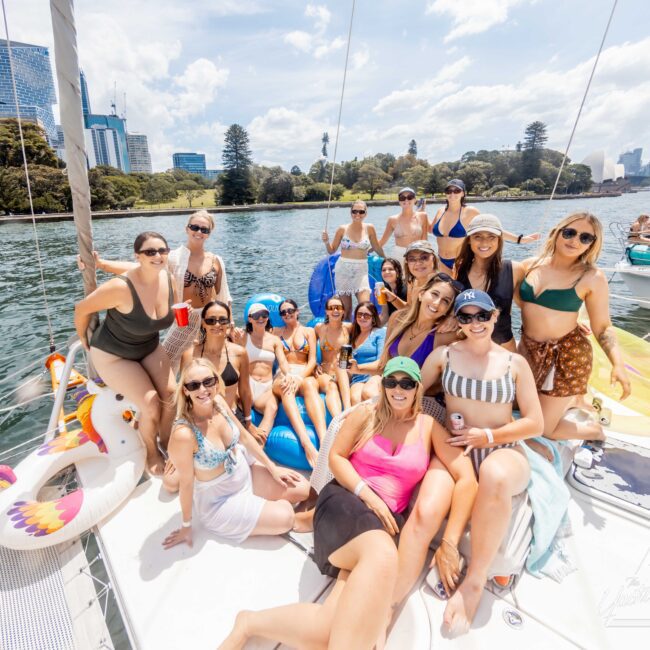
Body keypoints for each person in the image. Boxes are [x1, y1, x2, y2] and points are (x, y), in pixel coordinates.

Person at [218, 357, 456, 650]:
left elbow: (466, 476)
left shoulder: (428, 427)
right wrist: (368, 495)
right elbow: (336, 458)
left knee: (327, 628)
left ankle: (249, 623)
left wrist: (452, 542)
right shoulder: (367, 414)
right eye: (391, 381)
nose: (398, 389)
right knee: (384, 556)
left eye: (406, 383)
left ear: (417, 388)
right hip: (345, 501)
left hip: (379, 525)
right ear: (383, 385)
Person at [420, 289, 544, 634]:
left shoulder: (513, 363)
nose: (474, 323)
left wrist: (487, 437)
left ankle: (474, 582)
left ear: (494, 316)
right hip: (456, 450)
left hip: (501, 448)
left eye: (481, 315)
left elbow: (535, 422)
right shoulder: (443, 356)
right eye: (465, 316)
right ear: (457, 322)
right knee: (428, 504)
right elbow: (411, 391)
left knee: (494, 473)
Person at [161, 359, 310, 549]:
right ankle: (278, 514)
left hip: (243, 473)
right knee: (286, 517)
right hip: (220, 501)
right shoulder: (185, 434)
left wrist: (273, 469)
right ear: (185, 391)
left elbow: (245, 438)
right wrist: (186, 525)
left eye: (208, 381)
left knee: (303, 489)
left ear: (216, 381)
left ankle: (264, 507)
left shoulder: (219, 402)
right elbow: (187, 484)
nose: (202, 390)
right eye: (193, 385)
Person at [516, 212, 631, 440]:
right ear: (557, 233)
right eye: (569, 233)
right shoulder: (529, 266)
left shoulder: (591, 277)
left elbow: (603, 327)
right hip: (528, 351)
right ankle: (571, 400)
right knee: (517, 409)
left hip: (566, 357)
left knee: (543, 429)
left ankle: (595, 431)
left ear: (592, 245)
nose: (575, 240)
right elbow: (519, 302)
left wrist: (618, 364)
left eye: (585, 237)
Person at [74, 232, 177, 475]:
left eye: (162, 250)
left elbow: (144, 268)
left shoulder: (168, 279)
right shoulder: (120, 288)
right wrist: (82, 337)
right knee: (150, 402)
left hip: (148, 346)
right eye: (150, 252)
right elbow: (81, 308)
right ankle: (151, 450)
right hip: (113, 354)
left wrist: (102, 263)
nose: (158, 256)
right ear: (138, 256)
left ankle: (167, 440)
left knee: (172, 394)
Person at [88, 210, 231, 371]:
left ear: (209, 234)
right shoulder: (174, 258)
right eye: (195, 227)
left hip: (210, 319)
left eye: (204, 230)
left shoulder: (216, 260)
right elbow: (139, 268)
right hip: (185, 319)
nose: (199, 232)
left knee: (209, 360)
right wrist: (101, 264)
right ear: (187, 228)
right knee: (167, 361)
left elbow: (223, 296)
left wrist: (228, 324)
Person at [382, 272, 462, 424]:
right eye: (434, 294)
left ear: (448, 309)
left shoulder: (444, 335)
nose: (437, 303)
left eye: (446, 301)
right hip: (395, 393)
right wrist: (356, 368)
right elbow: (383, 366)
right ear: (421, 294)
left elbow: (476, 332)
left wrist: (456, 318)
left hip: (425, 401)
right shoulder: (397, 320)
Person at [430, 179, 539, 273]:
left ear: (463, 193)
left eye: (457, 190)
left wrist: (520, 239)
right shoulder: (440, 211)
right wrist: (419, 213)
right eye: (449, 191)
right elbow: (429, 229)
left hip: (460, 262)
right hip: (440, 262)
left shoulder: (470, 212)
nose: (452, 194)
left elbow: (492, 229)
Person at [181, 300, 255, 436]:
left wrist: (248, 421)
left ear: (228, 323)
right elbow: (183, 394)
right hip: (200, 420)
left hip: (231, 417)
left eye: (222, 320)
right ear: (203, 323)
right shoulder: (190, 355)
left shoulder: (239, 353)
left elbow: (244, 390)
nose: (217, 324)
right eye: (211, 320)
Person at [454, 214, 524, 351]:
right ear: (469, 240)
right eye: (477, 236)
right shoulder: (459, 268)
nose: (484, 243)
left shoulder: (515, 269)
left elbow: (527, 309)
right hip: (469, 348)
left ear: (499, 240)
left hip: (504, 348)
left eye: (491, 236)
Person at [271, 299, 327, 469]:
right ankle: (306, 443)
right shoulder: (276, 332)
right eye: (283, 312)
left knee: (311, 386)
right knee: (286, 388)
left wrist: (300, 377)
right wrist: (289, 376)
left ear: (297, 311)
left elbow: (311, 361)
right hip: (284, 373)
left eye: (290, 310)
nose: (287, 314)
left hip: (304, 371)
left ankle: (324, 441)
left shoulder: (309, 331)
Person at [235, 303, 299, 444]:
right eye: (257, 316)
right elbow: (235, 359)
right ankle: (237, 439)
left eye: (264, 315)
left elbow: (282, 362)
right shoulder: (243, 337)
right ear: (250, 319)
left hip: (266, 387)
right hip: (248, 384)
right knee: (234, 402)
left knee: (272, 407)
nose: (261, 318)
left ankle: (259, 444)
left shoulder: (274, 340)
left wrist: (289, 375)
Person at [322, 201, 385, 319]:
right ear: (350, 212)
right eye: (354, 211)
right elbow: (331, 250)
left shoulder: (370, 228)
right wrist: (326, 241)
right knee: (346, 310)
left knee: (365, 307)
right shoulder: (342, 229)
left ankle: (363, 334)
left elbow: (376, 247)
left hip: (361, 270)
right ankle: (348, 335)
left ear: (366, 213)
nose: (357, 214)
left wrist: (386, 260)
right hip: (343, 270)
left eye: (361, 211)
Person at [315, 295, 353, 416]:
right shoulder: (319, 328)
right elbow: (307, 348)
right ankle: (338, 420)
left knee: (340, 364)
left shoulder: (349, 328)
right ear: (326, 311)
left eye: (338, 307)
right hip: (326, 373)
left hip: (345, 372)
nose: (335, 311)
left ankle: (348, 410)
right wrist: (314, 364)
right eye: (331, 308)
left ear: (343, 311)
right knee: (332, 387)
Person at [347, 302, 386, 404]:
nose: (362, 317)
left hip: (375, 375)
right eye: (359, 314)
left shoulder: (380, 333)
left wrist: (358, 368)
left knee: (368, 393)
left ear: (373, 318)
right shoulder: (353, 335)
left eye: (367, 315)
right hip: (357, 378)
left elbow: (381, 363)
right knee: (355, 399)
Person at [378, 187, 429, 260]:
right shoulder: (392, 220)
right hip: (399, 256)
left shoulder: (423, 216)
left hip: (418, 255)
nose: (406, 200)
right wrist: (365, 250)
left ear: (414, 200)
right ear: (399, 201)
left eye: (410, 197)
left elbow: (424, 241)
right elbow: (382, 242)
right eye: (402, 198)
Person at [403, 240, 439, 305]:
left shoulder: (441, 285)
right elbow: (409, 309)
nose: (418, 263)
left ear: (433, 258)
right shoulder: (412, 282)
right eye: (412, 259)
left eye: (424, 257)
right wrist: (393, 298)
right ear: (407, 263)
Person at [377, 257, 407, 326]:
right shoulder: (384, 289)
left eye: (391, 269)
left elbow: (410, 312)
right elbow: (385, 316)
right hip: (394, 327)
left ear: (398, 272)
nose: (387, 272)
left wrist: (392, 298)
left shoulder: (407, 288)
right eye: (383, 270)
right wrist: (371, 329)